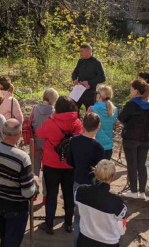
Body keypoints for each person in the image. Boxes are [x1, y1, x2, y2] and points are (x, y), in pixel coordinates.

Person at [0, 119, 38, 246]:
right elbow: (27, 193)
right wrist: (35, 183)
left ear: (3, 131)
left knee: (4, 239)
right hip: (16, 208)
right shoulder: (22, 157)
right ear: (20, 133)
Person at [36, 96, 83, 235]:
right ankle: (69, 224)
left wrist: (51, 118)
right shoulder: (77, 123)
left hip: (51, 163)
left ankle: (49, 224)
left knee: (51, 194)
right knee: (69, 194)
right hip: (70, 164)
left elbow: (39, 133)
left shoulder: (51, 122)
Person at [67, 113, 105, 244]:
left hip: (78, 181)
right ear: (98, 126)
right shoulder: (98, 147)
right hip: (93, 185)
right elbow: (101, 171)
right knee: (92, 217)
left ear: (82, 125)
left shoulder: (74, 141)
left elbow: (69, 161)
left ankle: (77, 243)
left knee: (78, 216)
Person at [118, 79, 149, 199]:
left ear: (136, 90)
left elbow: (122, 118)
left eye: (131, 88)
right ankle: (142, 192)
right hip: (146, 137)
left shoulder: (131, 104)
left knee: (132, 164)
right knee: (142, 164)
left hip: (131, 138)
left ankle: (133, 191)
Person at [75, 160, 127, 247]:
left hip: (85, 240)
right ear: (112, 177)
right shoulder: (117, 203)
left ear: (95, 173)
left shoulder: (80, 191)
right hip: (108, 243)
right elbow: (121, 231)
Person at [71, 43, 107, 111]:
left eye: (82, 51)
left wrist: (89, 82)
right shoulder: (80, 61)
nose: (80, 53)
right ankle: (76, 121)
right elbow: (74, 73)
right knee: (73, 108)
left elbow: (103, 77)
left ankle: (88, 121)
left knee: (90, 111)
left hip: (90, 91)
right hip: (78, 89)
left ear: (89, 51)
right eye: (80, 51)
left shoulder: (97, 62)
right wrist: (74, 79)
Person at [32, 88, 59, 177]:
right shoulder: (54, 112)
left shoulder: (35, 108)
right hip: (48, 141)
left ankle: (34, 184)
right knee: (47, 166)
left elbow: (31, 122)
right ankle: (45, 188)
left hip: (36, 138)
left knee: (35, 162)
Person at [89, 85, 118, 160]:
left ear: (99, 95)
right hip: (108, 145)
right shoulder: (115, 110)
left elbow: (87, 127)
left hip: (94, 145)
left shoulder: (92, 109)